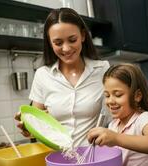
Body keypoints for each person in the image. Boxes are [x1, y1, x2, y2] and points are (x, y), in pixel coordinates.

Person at [16, 8, 110, 146]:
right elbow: (37, 124)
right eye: (58, 43)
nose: (66, 48)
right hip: (58, 159)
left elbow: (117, 115)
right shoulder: (42, 75)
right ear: (50, 42)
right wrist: (28, 129)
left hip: (94, 157)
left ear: (83, 35)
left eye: (72, 40)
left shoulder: (103, 70)